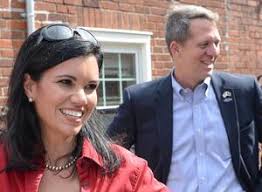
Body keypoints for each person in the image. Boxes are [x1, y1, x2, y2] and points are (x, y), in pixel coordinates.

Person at [107, 4, 262, 192]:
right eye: (204, 44)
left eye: (217, 43)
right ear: (176, 49)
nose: (214, 52)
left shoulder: (244, 91)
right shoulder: (140, 100)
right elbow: (107, 156)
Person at [0, 23, 168, 192]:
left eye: (90, 86)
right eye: (66, 82)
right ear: (29, 86)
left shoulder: (128, 172)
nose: (81, 99)